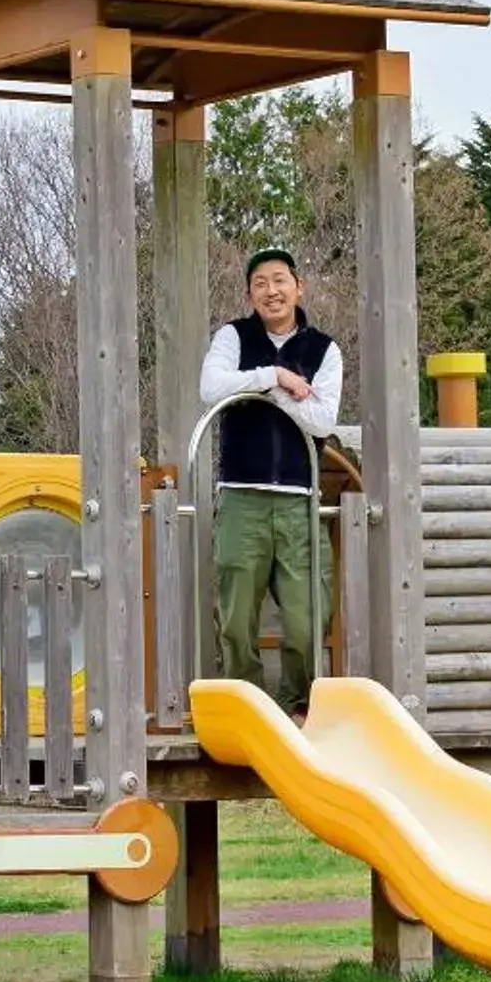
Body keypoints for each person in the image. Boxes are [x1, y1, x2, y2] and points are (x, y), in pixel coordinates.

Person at [199, 246, 342, 714]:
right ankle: (248, 707)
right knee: (236, 615)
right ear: (249, 293)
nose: (271, 290)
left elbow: (322, 421)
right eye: (260, 283)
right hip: (242, 497)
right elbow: (211, 388)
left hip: (300, 500)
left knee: (306, 617)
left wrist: (270, 392)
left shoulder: (324, 349)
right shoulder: (233, 337)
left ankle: (297, 705)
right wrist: (275, 375)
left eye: (279, 280)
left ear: (298, 287)